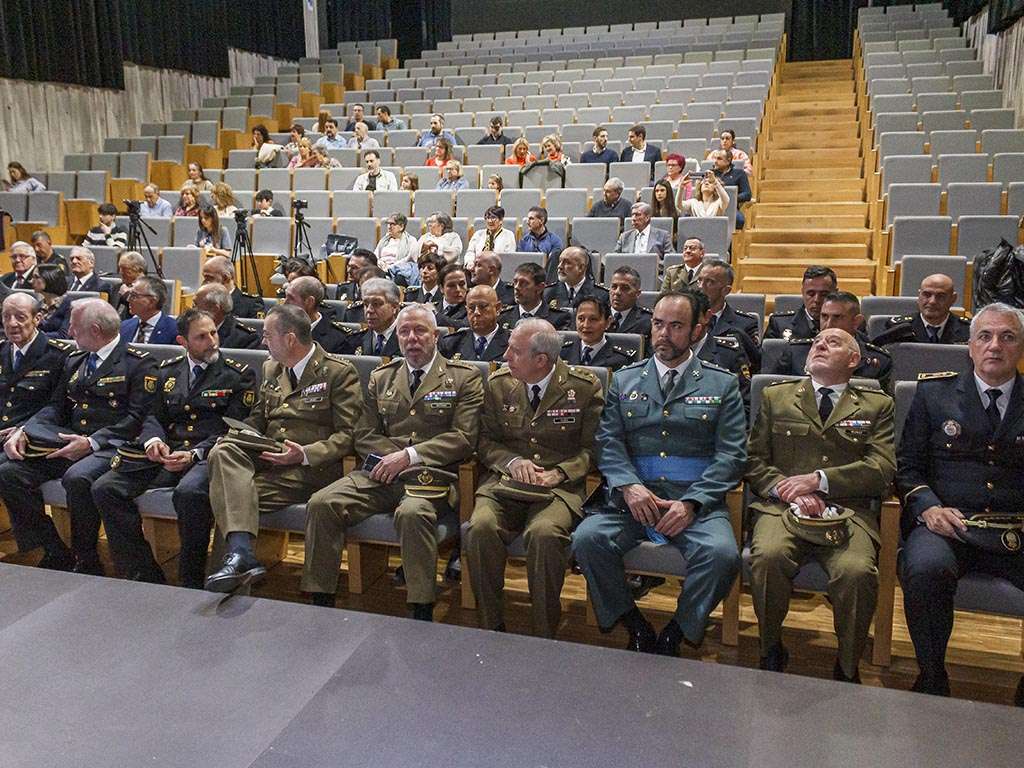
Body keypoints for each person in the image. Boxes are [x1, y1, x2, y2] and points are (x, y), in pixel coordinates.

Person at [572, 291, 746, 655]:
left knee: (721, 555)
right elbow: (608, 442)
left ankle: (678, 630)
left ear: (697, 330)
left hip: (695, 501)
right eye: (657, 324)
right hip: (634, 501)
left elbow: (731, 455)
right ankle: (631, 621)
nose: (663, 334)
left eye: (676, 326)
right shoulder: (624, 379)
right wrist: (630, 487)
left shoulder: (721, 384)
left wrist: (692, 504)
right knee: (588, 538)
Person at [303, 304, 483, 617]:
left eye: (420, 331)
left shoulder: (464, 378)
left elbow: (464, 438)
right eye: (404, 331)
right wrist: (392, 457)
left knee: (413, 514)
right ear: (397, 337)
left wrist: (410, 456)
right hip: (382, 474)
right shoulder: (381, 377)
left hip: (432, 478)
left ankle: (421, 607)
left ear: (436, 335)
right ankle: (321, 602)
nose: (412, 338)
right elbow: (363, 433)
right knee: (322, 503)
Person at [747, 327, 896, 683]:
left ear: (854, 360)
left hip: (849, 511)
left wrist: (818, 480)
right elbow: (754, 462)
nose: (820, 344)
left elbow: (882, 469)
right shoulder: (777, 398)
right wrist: (790, 491)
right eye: (817, 341)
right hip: (783, 508)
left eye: (833, 342)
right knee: (767, 557)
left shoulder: (877, 405)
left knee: (857, 572)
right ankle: (770, 648)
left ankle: (847, 665)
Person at [896, 302, 1024, 705]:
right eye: (984, 336)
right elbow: (908, 467)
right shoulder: (934, 395)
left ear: (1020, 348)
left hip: (1016, 527)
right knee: (924, 568)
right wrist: (928, 507)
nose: (995, 346)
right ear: (969, 346)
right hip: (949, 524)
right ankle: (932, 674)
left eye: (1007, 337)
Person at [203, 304, 363, 591]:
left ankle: (236, 567)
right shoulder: (271, 368)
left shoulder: (338, 372)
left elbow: (349, 435)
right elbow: (259, 418)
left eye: (267, 335)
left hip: (313, 469)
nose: (262, 342)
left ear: (290, 339)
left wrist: (303, 454)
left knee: (229, 497)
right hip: (270, 457)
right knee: (223, 450)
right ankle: (241, 557)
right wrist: (241, 434)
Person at [92, 308, 257, 585]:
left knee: (190, 493)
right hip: (168, 452)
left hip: (208, 454)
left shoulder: (237, 375)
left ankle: (190, 578)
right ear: (183, 342)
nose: (212, 341)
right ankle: (143, 570)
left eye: (213, 333)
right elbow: (154, 415)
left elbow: (232, 427)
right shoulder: (168, 371)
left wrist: (194, 453)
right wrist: (154, 440)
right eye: (202, 337)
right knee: (106, 488)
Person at [465, 319, 603, 636]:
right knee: (481, 528)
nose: (505, 356)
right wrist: (511, 461)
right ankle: (490, 625)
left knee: (544, 534)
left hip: (558, 489)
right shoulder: (499, 383)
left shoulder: (583, 387)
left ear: (541, 360)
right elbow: (484, 441)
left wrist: (560, 472)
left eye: (515, 351)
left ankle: (543, 630)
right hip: (505, 483)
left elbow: (594, 448)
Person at [0, 299, 156, 573]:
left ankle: (86, 558)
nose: (69, 333)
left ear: (94, 330)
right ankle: (54, 548)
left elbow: (137, 418)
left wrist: (91, 442)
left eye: (74, 327)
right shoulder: (76, 360)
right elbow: (56, 406)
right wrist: (26, 430)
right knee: (10, 472)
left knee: (78, 478)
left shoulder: (138, 363)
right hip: (70, 442)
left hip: (110, 446)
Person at [768, 292, 892, 391]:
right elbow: (773, 393)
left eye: (837, 317)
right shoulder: (796, 352)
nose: (828, 324)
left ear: (856, 322)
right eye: (824, 316)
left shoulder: (877, 361)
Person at [0, 292, 74, 444]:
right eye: (6, 317)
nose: (12, 323)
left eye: (20, 317)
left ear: (37, 319)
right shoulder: (2, 350)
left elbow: (57, 407)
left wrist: (25, 428)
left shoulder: (58, 355)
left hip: (26, 436)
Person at [694, 258, 762, 371]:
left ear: (726, 290)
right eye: (699, 280)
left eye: (710, 282)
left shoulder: (745, 324)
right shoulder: (687, 320)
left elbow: (753, 366)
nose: (701, 286)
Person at [871, 274, 971, 346]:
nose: (932, 301)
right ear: (919, 296)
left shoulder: (968, 330)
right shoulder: (898, 328)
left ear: (953, 299)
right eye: (926, 295)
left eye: (940, 296)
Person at [40, 246, 112, 336]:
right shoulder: (63, 282)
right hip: (54, 326)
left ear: (91, 263)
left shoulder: (101, 286)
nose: (74, 261)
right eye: (71, 259)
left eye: (79, 258)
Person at [765, 265, 838, 340]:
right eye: (811, 294)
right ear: (803, 292)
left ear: (835, 293)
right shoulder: (779, 325)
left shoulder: (845, 323)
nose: (817, 300)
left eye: (824, 294)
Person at [440, 284, 510, 362]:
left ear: (497, 308)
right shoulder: (451, 343)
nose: (476, 312)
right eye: (471, 308)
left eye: (483, 306)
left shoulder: (511, 342)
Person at [284, 276, 353, 354]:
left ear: (310, 302)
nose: (285, 303)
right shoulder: (279, 328)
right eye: (286, 297)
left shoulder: (338, 338)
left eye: (291, 298)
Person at [560, 297, 634, 370]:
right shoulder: (562, 352)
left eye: (593, 319)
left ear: (608, 322)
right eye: (581, 319)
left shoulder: (621, 359)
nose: (586, 325)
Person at [498, 262, 572, 331]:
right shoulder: (503, 317)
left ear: (540, 288)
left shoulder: (558, 319)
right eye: (515, 282)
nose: (516, 287)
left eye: (524, 283)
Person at [342, 278, 402, 356]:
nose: (369, 310)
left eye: (376, 304)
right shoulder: (354, 340)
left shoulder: (408, 339)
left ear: (394, 307)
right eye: (366, 305)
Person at [192, 282, 261, 350]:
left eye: (196, 305)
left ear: (215, 309)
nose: (192, 310)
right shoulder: (186, 329)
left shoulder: (246, 338)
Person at [201, 255, 265, 319]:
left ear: (226, 278)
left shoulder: (251, 304)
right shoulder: (203, 300)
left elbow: (256, 327)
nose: (205, 283)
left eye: (209, 278)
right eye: (204, 278)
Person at [544, 246, 609, 309]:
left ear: (581, 268)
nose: (559, 266)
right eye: (560, 261)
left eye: (567, 263)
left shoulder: (601, 295)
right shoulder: (547, 293)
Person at [119, 275, 177, 345]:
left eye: (134, 296)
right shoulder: (124, 326)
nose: (128, 300)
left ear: (152, 301)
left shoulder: (174, 330)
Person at [464, 206, 516, 270]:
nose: (490, 221)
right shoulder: (478, 234)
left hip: (497, 270)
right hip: (476, 269)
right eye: (487, 218)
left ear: (501, 220)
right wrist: (469, 262)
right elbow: (470, 252)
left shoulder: (508, 235)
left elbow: (509, 257)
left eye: (493, 218)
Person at [608, 265, 652, 338]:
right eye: (614, 287)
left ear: (637, 294)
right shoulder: (597, 316)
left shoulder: (647, 322)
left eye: (625, 288)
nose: (617, 292)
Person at [711, 148, 751, 229]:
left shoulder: (739, 173)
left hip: (730, 206)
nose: (715, 161)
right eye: (714, 158)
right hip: (711, 205)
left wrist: (732, 197)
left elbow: (747, 194)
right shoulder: (710, 174)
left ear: (728, 161)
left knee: (739, 220)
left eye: (719, 159)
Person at [517, 206, 564, 273]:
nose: (527, 222)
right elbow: (520, 263)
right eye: (528, 219)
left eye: (531, 219)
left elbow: (553, 266)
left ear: (541, 220)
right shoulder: (523, 241)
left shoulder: (555, 241)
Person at [113, 250, 146, 320]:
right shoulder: (116, 287)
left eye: (124, 269)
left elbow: (147, 310)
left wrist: (128, 296)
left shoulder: (149, 287)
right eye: (120, 268)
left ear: (139, 270)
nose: (120, 272)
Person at [435, 263, 470, 327]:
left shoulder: (471, 309)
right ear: (441, 288)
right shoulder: (435, 307)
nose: (458, 289)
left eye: (462, 284)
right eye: (451, 285)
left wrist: (435, 315)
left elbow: (462, 325)